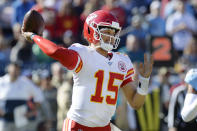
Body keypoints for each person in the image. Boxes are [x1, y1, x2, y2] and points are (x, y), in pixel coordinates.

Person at [22, 10, 154, 131]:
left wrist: (144, 80)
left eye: (113, 33)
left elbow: (136, 103)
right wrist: (34, 36)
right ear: (91, 31)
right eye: (106, 32)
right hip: (78, 125)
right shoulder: (83, 53)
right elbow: (56, 51)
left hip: (104, 127)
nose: (111, 37)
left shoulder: (122, 61)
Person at [0, 62, 44, 131]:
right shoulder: (1, 81)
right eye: (13, 69)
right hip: (4, 120)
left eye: (17, 69)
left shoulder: (25, 82)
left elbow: (39, 97)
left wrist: (32, 111)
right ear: (8, 69)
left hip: (21, 121)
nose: (15, 72)